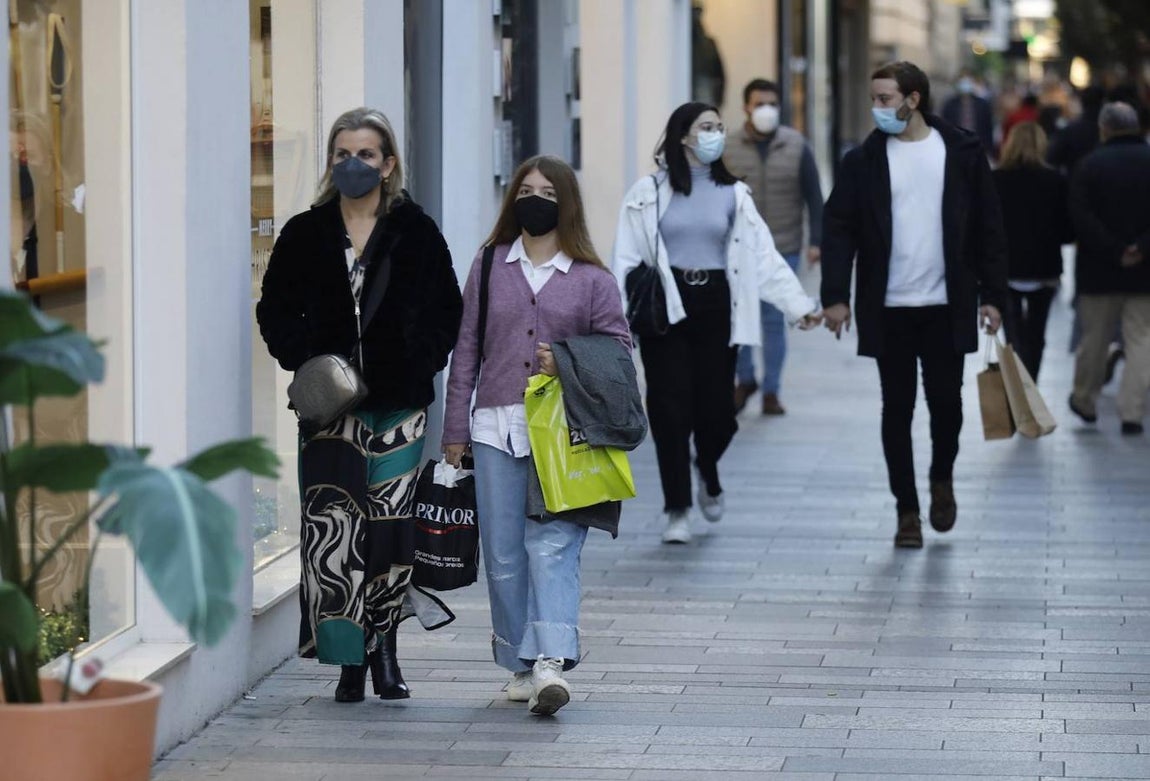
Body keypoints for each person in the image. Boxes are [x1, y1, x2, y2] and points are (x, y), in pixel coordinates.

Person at [256, 107, 463, 702]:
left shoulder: (416, 231)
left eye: (366, 154)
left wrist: (417, 360)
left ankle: (385, 648)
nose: (354, 164)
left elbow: (446, 310)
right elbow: (273, 311)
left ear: (388, 163)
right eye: (343, 153)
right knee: (335, 533)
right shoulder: (305, 232)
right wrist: (309, 365)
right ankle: (347, 658)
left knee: (390, 531)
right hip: (329, 413)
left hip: (399, 407)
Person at [441, 155, 630, 716]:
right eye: (526, 189)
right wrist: (455, 430)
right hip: (494, 428)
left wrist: (565, 360)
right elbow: (466, 349)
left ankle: (552, 661)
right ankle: (518, 664)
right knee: (502, 554)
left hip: (564, 437)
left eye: (548, 191)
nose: (535, 199)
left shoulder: (593, 279)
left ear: (566, 202)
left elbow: (620, 352)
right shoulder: (491, 263)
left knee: (551, 546)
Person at [613, 102, 821, 546]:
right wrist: (615, 325)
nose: (716, 134)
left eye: (719, 128)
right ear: (683, 136)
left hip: (717, 304)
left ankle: (706, 467)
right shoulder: (647, 192)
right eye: (707, 127)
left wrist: (798, 306)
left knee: (719, 413)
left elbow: (762, 256)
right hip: (664, 306)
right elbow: (625, 260)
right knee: (669, 410)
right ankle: (677, 508)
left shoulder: (734, 193)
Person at [820, 62, 1008, 549]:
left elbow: (989, 228)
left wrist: (993, 297)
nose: (876, 108)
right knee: (896, 408)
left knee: (947, 405)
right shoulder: (863, 160)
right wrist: (836, 297)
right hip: (890, 306)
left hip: (947, 304)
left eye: (885, 99)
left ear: (914, 99)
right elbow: (839, 228)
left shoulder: (961, 152)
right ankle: (907, 510)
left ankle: (941, 478)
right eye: (874, 99)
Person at [725, 78, 825, 415]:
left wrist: (816, 242)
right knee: (738, 318)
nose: (766, 109)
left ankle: (771, 390)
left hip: (784, 244)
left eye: (771, 103)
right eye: (759, 104)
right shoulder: (728, 146)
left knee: (772, 320)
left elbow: (814, 195)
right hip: (738, 249)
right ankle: (745, 379)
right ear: (746, 108)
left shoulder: (796, 144)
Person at [1067, 102, 1150, 436]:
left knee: (1095, 339)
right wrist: (1140, 247)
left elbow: (1080, 216)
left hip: (1099, 269)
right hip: (1145, 270)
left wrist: (1115, 250)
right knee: (1142, 339)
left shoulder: (1089, 165)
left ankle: (1085, 401)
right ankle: (1132, 411)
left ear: (1104, 128)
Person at [992, 121, 1074, 380]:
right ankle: (1030, 390)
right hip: (1044, 268)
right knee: (1037, 335)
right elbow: (1067, 230)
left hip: (1007, 268)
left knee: (1013, 337)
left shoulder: (996, 180)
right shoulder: (1056, 180)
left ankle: (1018, 396)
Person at [941, 70, 995, 155]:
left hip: (978, 148)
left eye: (968, 79)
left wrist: (990, 150)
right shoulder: (949, 105)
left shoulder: (983, 104)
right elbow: (944, 127)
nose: (965, 83)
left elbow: (988, 129)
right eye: (962, 79)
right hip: (956, 149)